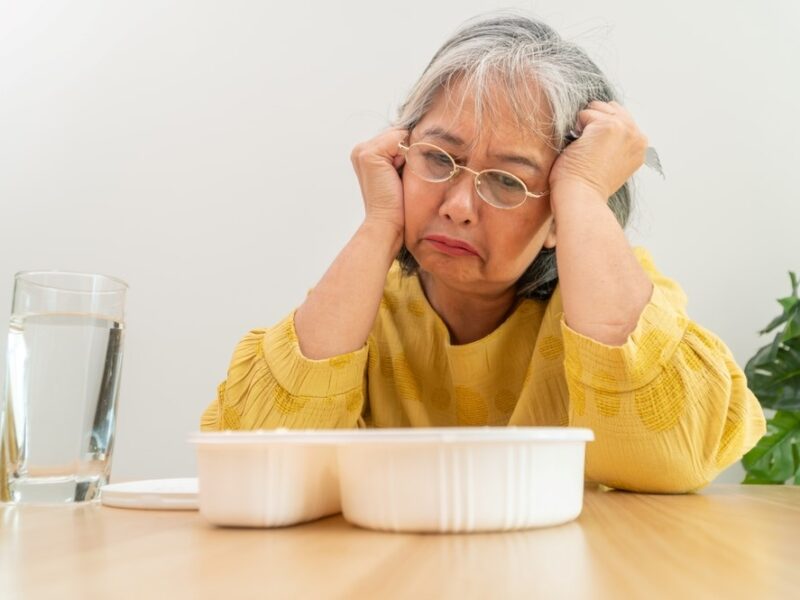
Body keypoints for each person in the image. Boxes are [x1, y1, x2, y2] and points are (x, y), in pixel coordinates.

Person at [200, 12, 765, 493]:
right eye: (437, 159)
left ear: (557, 219)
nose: (459, 205)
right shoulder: (361, 309)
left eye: (507, 182)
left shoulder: (613, 299)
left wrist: (585, 194)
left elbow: (670, 455)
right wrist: (379, 223)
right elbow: (256, 463)